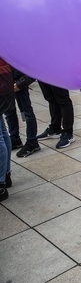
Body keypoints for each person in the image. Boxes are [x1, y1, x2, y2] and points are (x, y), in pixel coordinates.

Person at [3, 67, 40, 157]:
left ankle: (32, 142)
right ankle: (15, 138)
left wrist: (20, 84)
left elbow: (32, 69)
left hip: (19, 81)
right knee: (9, 112)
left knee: (27, 112)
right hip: (7, 81)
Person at [36, 82, 75, 149]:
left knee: (63, 99)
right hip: (42, 72)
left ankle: (68, 133)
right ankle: (55, 129)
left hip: (57, 73)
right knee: (50, 98)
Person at [0, 57, 14, 202]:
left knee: (0, 134)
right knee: (3, 131)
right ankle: (6, 174)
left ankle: (1, 183)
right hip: (5, 81)